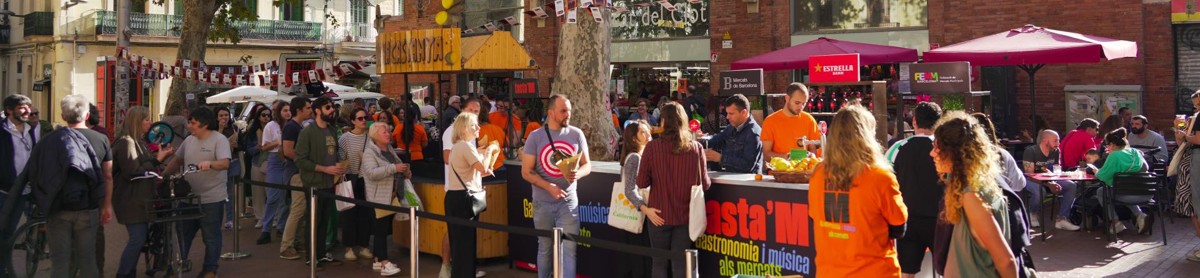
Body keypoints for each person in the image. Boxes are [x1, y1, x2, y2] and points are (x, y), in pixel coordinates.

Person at [808, 104, 907, 277]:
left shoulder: (818, 175)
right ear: (867, 137)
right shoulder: (880, 177)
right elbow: (898, 228)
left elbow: (813, 219)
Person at [25, 95, 113, 278]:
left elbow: (37, 172)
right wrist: (106, 205)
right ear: (87, 115)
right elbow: (108, 176)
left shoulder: (48, 141)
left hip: (58, 208)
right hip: (89, 207)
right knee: (88, 259)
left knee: (59, 261)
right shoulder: (101, 139)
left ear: (63, 116)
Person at [931, 112, 1018, 278]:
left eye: (937, 148)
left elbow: (1005, 260)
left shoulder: (972, 195)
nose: (932, 153)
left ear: (955, 152)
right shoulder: (971, 186)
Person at [636, 102, 711, 278]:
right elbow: (705, 184)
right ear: (683, 121)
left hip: (658, 214)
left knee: (659, 263)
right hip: (685, 215)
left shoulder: (652, 147)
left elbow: (641, 182)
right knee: (681, 264)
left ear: (663, 121)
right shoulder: (696, 148)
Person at [521, 94, 591, 278]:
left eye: (569, 110)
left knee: (569, 249)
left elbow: (587, 165)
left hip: (568, 202)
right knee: (545, 248)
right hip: (542, 202)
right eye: (563, 111)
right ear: (551, 113)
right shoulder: (535, 137)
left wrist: (578, 174)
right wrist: (548, 186)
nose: (568, 114)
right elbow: (526, 171)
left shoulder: (577, 134)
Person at [163, 106, 231, 278]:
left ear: (204, 124)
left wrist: (210, 164)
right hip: (188, 198)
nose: (189, 126)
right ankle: (176, 267)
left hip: (212, 199)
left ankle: (210, 270)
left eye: (193, 123)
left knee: (211, 237)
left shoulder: (220, 140)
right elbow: (177, 160)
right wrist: (163, 176)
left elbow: (224, 163)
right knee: (182, 235)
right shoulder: (189, 140)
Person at [113, 106, 177, 278]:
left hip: (141, 198)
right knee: (137, 238)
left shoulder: (138, 141)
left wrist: (161, 157)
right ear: (137, 121)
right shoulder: (126, 142)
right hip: (131, 199)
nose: (150, 123)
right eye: (147, 119)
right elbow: (133, 171)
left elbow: (144, 165)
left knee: (139, 238)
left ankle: (129, 272)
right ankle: (124, 273)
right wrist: (157, 160)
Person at [883, 101, 942, 278]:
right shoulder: (943, 149)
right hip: (940, 219)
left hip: (908, 220)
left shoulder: (896, 148)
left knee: (906, 272)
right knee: (948, 270)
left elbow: (886, 181)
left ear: (914, 121)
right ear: (939, 122)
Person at [295, 97, 346, 267]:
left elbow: (333, 152)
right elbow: (300, 160)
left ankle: (321, 253)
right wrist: (324, 169)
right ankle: (311, 256)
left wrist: (338, 165)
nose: (332, 110)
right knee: (313, 221)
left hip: (329, 183)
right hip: (313, 183)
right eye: (328, 107)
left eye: (332, 107)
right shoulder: (307, 132)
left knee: (325, 221)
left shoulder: (332, 130)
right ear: (317, 110)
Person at [439, 97, 486, 277]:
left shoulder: (467, 140)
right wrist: (487, 154)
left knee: (462, 238)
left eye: (477, 112)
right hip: (461, 191)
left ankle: (461, 270)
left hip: (465, 190)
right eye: (471, 111)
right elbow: (448, 158)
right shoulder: (456, 136)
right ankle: (449, 267)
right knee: (459, 238)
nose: (475, 115)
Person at [446, 113, 497, 278]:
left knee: (461, 243)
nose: (479, 127)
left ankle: (462, 273)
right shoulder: (465, 146)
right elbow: (483, 168)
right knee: (464, 243)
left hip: (458, 197)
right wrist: (490, 150)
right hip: (463, 199)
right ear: (465, 127)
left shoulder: (459, 146)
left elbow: (479, 172)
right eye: (475, 124)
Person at [361, 121, 411, 276]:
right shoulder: (369, 152)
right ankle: (384, 262)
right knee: (381, 230)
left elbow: (397, 164)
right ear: (375, 135)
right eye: (384, 132)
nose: (388, 134)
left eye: (388, 131)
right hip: (378, 197)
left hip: (391, 195)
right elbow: (371, 173)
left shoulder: (389, 148)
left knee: (383, 229)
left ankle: (378, 259)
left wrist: (404, 170)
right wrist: (394, 168)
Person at [272, 97, 312, 260]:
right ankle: (286, 246)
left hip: (299, 171)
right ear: (300, 109)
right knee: (297, 209)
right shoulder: (291, 127)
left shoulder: (297, 126)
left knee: (302, 210)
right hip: (295, 172)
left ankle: (297, 242)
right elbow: (288, 150)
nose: (310, 110)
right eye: (308, 107)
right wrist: (305, 163)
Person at [1094, 128, 1150, 234]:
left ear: (1112, 144)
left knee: (1102, 191)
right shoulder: (1135, 152)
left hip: (1127, 194)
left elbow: (1103, 176)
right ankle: (1139, 215)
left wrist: (1096, 172)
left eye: (1107, 145)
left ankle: (1115, 222)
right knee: (1123, 189)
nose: (1107, 147)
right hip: (1146, 193)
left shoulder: (1114, 156)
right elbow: (1145, 168)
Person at [1022, 130, 1080, 230]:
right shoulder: (1031, 151)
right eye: (1055, 141)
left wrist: (1062, 176)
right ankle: (1032, 213)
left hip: (1049, 178)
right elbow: (1030, 174)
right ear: (1044, 140)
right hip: (1030, 179)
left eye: (1058, 140)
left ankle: (1061, 219)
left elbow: (1057, 170)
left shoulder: (1056, 151)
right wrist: (1049, 184)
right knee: (1040, 191)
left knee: (1071, 185)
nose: (1058, 143)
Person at [338, 108, 375, 262]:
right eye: (360, 118)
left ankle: (363, 245)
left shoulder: (370, 137)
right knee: (349, 215)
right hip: (349, 178)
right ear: (352, 121)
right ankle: (349, 247)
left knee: (365, 214)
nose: (363, 121)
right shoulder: (345, 138)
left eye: (365, 117)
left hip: (365, 179)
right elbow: (340, 159)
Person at [618, 120, 653, 278]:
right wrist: (645, 208)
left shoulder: (638, 156)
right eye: (643, 132)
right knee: (641, 259)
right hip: (638, 214)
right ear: (633, 138)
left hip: (638, 213)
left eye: (648, 131)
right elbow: (629, 189)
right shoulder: (635, 158)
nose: (648, 135)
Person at [256, 101, 292, 244]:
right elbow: (264, 147)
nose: (288, 113)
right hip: (275, 159)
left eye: (289, 110)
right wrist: (277, 142)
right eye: (285, 110)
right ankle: (266, 229)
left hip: (288, 159)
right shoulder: (271, 126)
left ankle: (281, 226)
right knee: (272, 196)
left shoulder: (292, 125)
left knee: (286, 198)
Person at [703, 94, 762, 174]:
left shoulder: (753, 134)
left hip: (747, 181)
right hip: (730, 178)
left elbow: (748, 166)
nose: (727, 117)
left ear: (744, 113)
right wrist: (699, 140)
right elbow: (715, 140)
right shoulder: (732, 127)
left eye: (731, 114)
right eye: (727, 113)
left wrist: (720, 158)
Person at [761, 83, 821, 161]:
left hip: (804, 167)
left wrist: (812, 156)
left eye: (804, 103)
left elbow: (813, 150)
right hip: (779, 168)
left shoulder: (809, 120)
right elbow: (766, 154)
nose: (801, 107)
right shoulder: (770, 121)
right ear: (787, 98)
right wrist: (788, 157)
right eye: (797, 103)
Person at [1173, 91, 1200, 262]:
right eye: (1195, 105)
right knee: (1193, 204)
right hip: (1189, 164)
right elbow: (1182, 143)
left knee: (1196, 203)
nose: (1196, 108)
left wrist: (1184, 135)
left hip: (1195, 163)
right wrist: (1180, 130)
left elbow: (1197, 140)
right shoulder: (1194, 119)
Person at [1, 94, 37, 210]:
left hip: (25, 190)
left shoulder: (30, 130)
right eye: (22, 107)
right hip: (4, 191)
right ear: (9, 110)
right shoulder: (2, 131)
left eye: (29, 107)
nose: (28, 111)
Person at [242, 104, 271, 225]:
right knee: (258, 192)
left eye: (269, 115)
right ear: (258, 116)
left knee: (271, 192)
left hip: (271, 163)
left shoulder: (274, 128)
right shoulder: (253, 132)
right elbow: (249, 150)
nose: (266, 117)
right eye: (263, 115)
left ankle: (273, 217)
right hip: (257, 163)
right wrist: (258, 147)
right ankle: (260, 217)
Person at [216, 106, 242, 230]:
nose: (224, 117)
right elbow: (214, 143)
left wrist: (236, 145)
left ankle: (231, 219)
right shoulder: (213, 130)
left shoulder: (235, 128)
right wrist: (220, 129)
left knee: (231, 192)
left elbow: (242, 145)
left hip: (234, 161)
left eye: (226, 115)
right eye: (221, 115)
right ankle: (219, 219)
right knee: (220, 192)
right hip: (219, 163)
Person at [478, 102, 507, 170]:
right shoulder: (498, 129)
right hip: (501, 165)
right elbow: (505, 144)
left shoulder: (477, 132)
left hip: (486, 167)